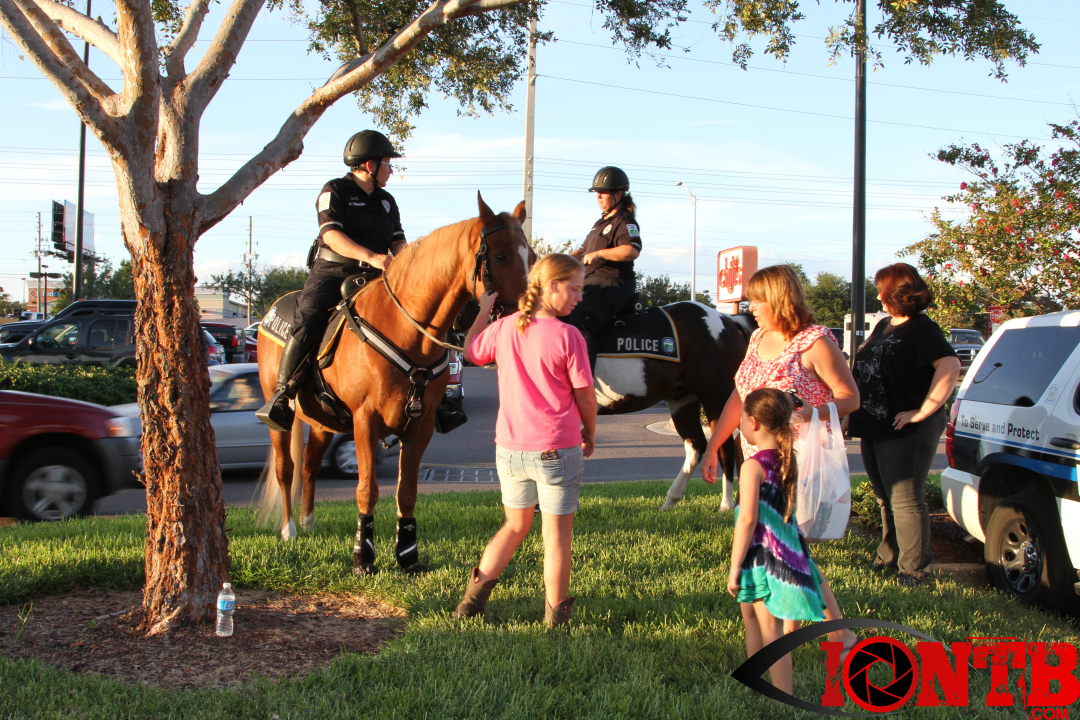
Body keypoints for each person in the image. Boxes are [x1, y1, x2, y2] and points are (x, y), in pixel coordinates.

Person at [701, 264, 859, 654]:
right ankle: (820, 631)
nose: (751, 308)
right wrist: (714, 445)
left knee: (786, 542)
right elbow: (740, 396)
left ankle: (824, 632)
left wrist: (807, 413)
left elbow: (850, 397)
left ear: (778, 299)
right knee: (782, 543)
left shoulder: (814, 342)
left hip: (798, 458)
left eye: (757, 301)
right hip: (757, 457)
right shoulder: (758, 337)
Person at [453, 254, 597, 627]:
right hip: (556, 449)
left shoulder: (504, 328)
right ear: (552, 286)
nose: (579, 297)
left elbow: (471, 351)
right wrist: (590, 431)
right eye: (575, 288)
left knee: (514, 526)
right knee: (556, 537)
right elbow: (585, 396)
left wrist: (483, 310)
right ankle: (556, 620)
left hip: (510, 450)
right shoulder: (568, 336)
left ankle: (470, 604)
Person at [257, 129, 406, 431]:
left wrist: (410, 265)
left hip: (375, 277)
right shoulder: (335, 190)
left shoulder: (387, 201)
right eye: (388, 164)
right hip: (333, 272)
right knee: (309, 319)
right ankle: (283, 394)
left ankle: (430, 396)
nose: (391, 170)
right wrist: (371, 257)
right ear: (370, 165)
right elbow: (331, 235)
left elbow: (398, 242)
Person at [848, 263, 960, 587]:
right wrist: (850, 415)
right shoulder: (884, 324)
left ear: (897, 293)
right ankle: (888, 557)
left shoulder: (922, 328)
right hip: (875, 424)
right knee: (884, 497)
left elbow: (950, 365)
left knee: (905, 499)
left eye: (881, 291)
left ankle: (914, 571)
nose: (878, 297)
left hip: (905, 429)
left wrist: (923, 411)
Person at [729, 388, 826, 695]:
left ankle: (783, 695)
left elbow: (747, 520)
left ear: (754, 422)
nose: (740, 424)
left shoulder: (752, 466)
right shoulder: (787, 457)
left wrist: (734, 567)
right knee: (754, 619)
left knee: (767, 629)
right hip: (783, 552)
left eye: (741, 418)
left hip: (761, 559)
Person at [565, 166, 641, 366]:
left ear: (619, 194)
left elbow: (631, 250)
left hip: (613, 285)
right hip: (591, 285)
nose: (598, 196)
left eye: (603, 192)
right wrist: (556, 261)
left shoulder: (625, 221)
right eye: (596, 192)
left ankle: (583, 378)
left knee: (581, 318)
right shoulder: (599, 224)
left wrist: (599, 253)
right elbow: (581, 252)